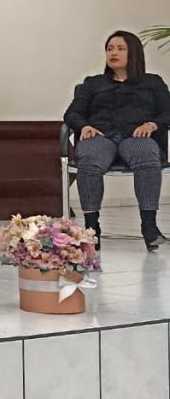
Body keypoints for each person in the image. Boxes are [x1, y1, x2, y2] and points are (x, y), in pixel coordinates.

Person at [64, 30, 170, 251]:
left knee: (146, 155)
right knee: (90, 159)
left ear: (134, 53)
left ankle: (149, 227)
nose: (113, 53)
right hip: (101, 136)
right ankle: (91, 229)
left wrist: (152, 124)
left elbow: (167, 111)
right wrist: (84, 126)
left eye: (120, 48)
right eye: (110, 48)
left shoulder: (153, 83)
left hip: (137, 135)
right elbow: (72, 113)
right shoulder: (93, 84)